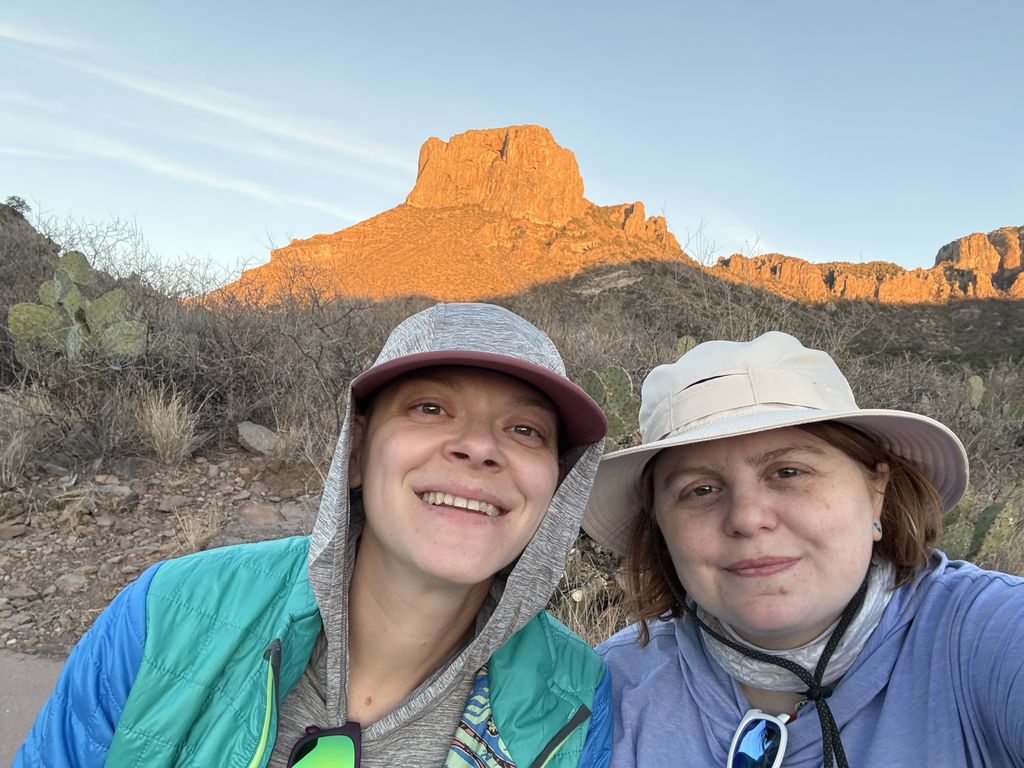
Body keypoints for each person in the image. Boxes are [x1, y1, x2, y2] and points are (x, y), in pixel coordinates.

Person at [18, 302, 613, 767]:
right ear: (356, 452)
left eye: (525, 429)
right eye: (430, 408)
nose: (480, 447)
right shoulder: (167, 615)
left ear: (556, 486)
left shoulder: (579, 702)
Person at [583, 331, 1024, 767]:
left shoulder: (984, 637)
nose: (747, 517)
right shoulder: (603, 689)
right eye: (700, 490)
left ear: (876, 491)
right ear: (660, 526)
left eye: (788, 472)